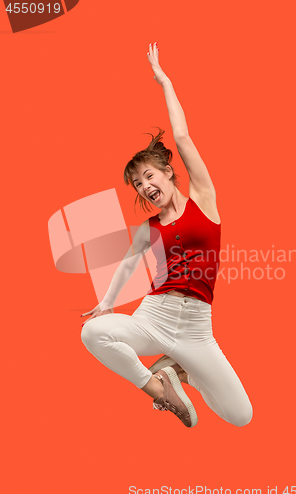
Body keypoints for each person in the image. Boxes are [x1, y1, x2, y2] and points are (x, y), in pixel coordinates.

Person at [80, 42, 253, 428]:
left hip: (196, 327)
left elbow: (183, 137)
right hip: (153, 316)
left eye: (149, 176)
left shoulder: (203, 201)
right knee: (93, 333)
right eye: (138, 184)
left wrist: (165, 82)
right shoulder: (149, 228)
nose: (144, 186)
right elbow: (127, 265)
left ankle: (182, 370)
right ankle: (160, 388)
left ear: (169, 173)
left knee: (240, 416)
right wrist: (106, 303)